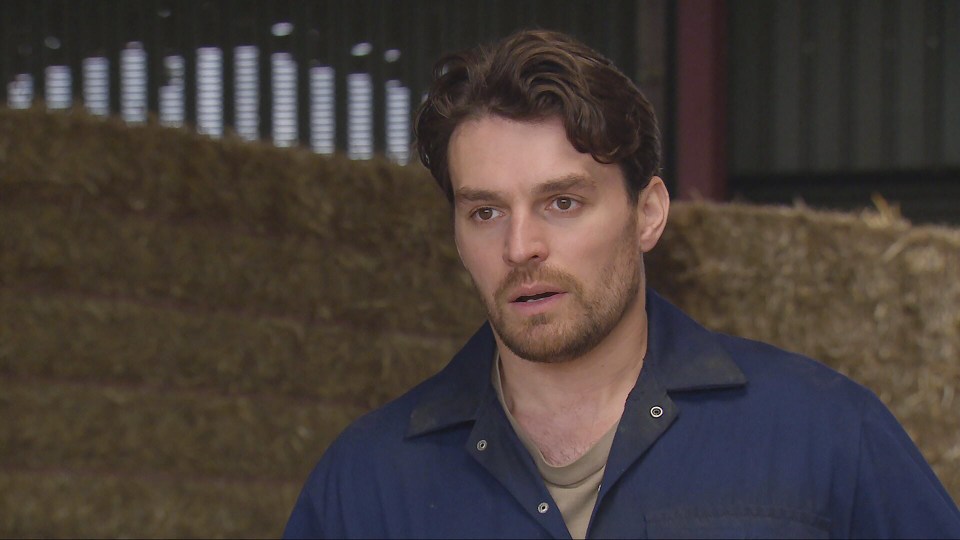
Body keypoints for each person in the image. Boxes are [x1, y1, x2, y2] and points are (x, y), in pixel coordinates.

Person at [283, 29, 960, 539]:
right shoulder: (366, 484)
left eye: (563, 203)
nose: (521, 248)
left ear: (648, 214)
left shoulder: (824, 436)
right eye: (485, 212)